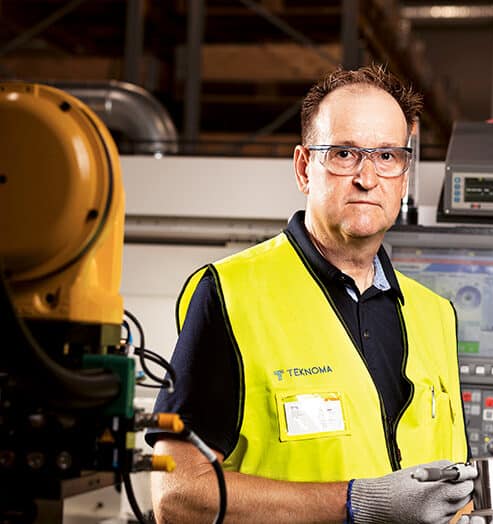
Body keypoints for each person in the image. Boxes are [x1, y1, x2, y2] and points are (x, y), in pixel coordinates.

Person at [148, 64, 473, 524]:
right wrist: (355, 502)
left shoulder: (435, 314)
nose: (367, 177)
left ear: (404, 175)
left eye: (386, 156)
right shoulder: (231, 295)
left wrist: (478, 516)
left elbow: (439, 490)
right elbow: (176, 494)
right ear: (304, 168)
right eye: (344, 154)